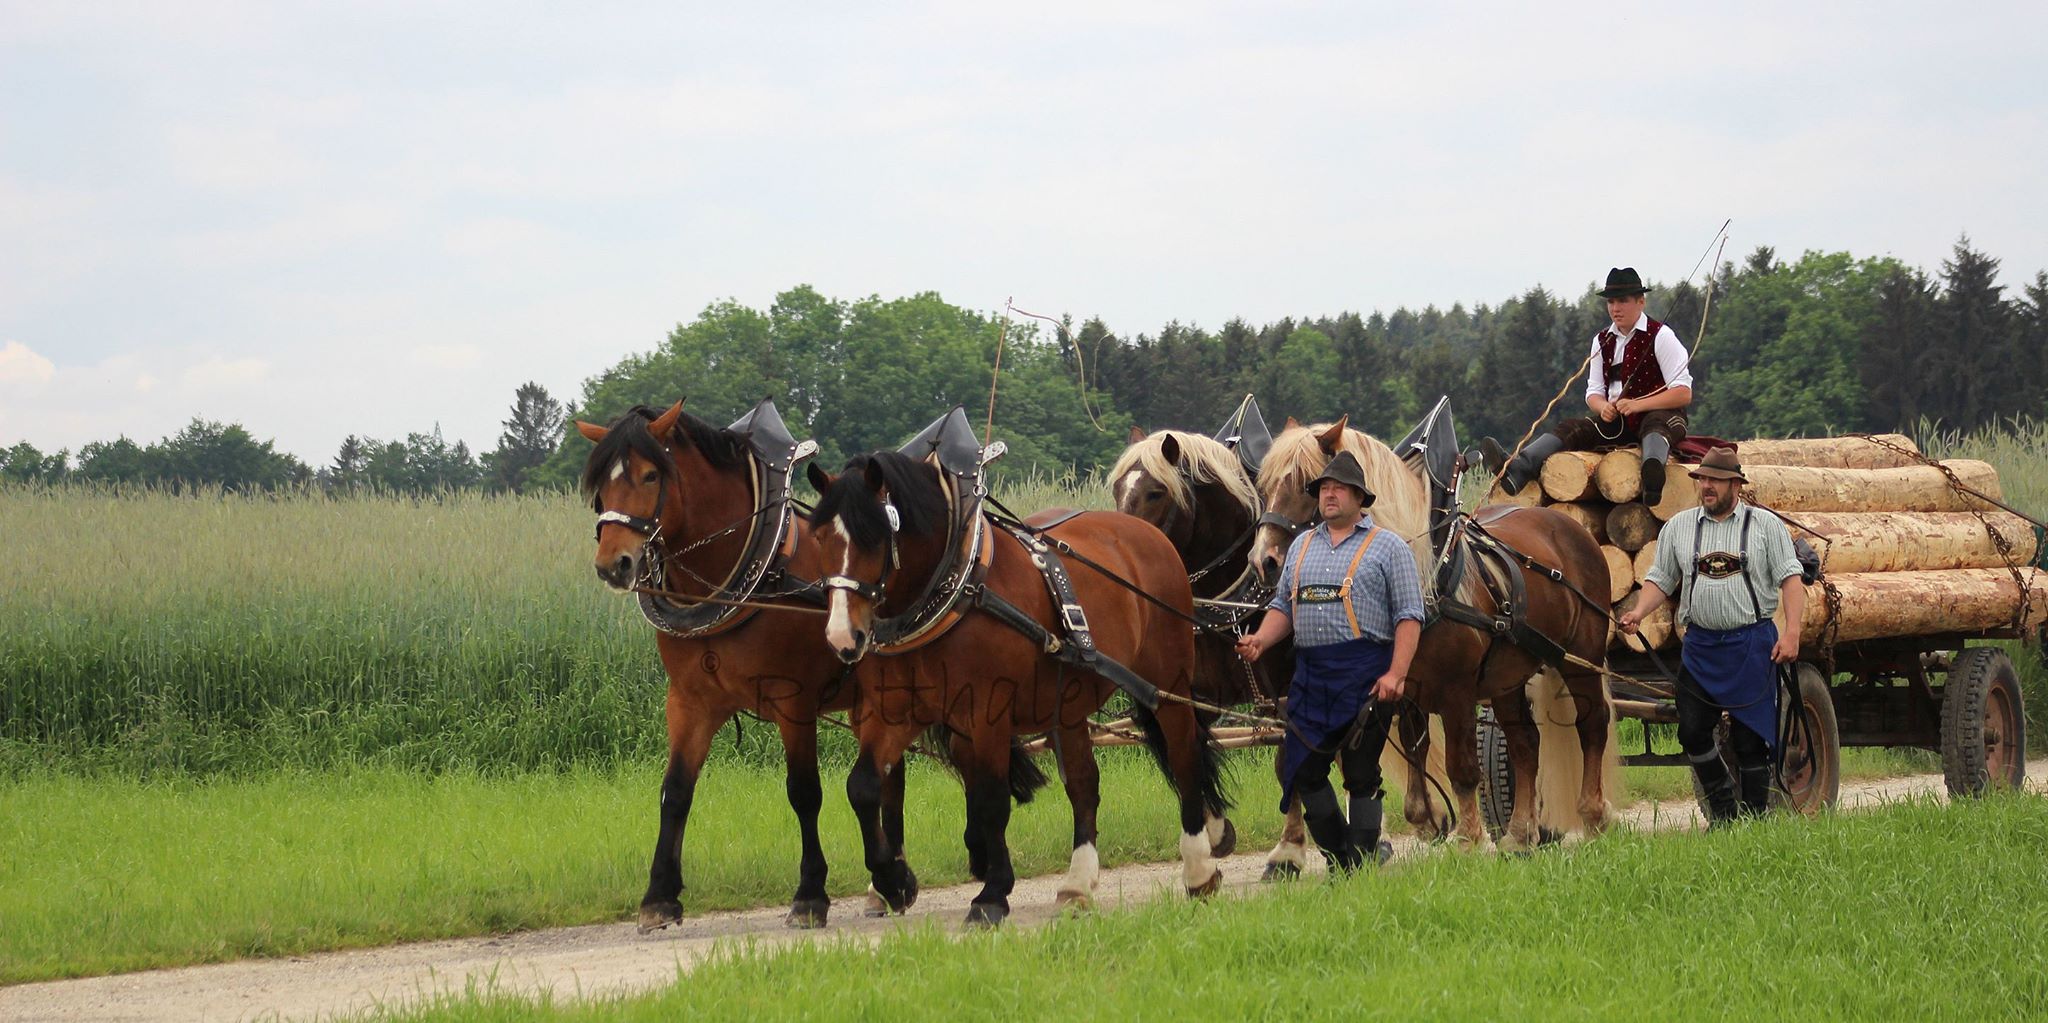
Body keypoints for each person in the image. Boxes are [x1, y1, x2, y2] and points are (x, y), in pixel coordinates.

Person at [1236, 450, 1424, 870]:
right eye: (1324, 489)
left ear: (1360, 498)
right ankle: (1345, 860)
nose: (1329, 495)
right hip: (1312, 676)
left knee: (1359, 775)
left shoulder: (1388, 548)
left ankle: (1356, 863)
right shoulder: (1302, 545)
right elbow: (1284, 605)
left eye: (1339, 488)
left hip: (1366, 674)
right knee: (1303, 770)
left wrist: (1397, 673)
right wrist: (1261, 641)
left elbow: (1410, 615)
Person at [1618, 447, 1805, 825]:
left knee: (1750, 740)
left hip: (1751, 644)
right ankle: (1723, 814)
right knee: (1691, 731)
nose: (1706, 486)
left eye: (1715, 480)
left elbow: (1791, 578)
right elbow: (1661, 579)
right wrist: (1638, 612)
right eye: (1702, 479)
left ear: (1735, 485)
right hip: (1701, 647)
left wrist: (1792, 633)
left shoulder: (1765, 526)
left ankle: (1754, 821)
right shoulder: (1679, 527)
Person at [1481, 267, 1693, 504]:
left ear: (1641, 302)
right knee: (1573, 428)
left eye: (1622, 301)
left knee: (1656, 427)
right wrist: (1602, 407)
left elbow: (1683, 393)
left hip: (1663, 416)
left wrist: (1638, 405)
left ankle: (1653, 479)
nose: (1615, 308)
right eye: (1611, 302)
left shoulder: (1662, 336)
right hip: (1619, 421)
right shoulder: (1602, 340)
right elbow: (1593, 392)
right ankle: (1519, 468)